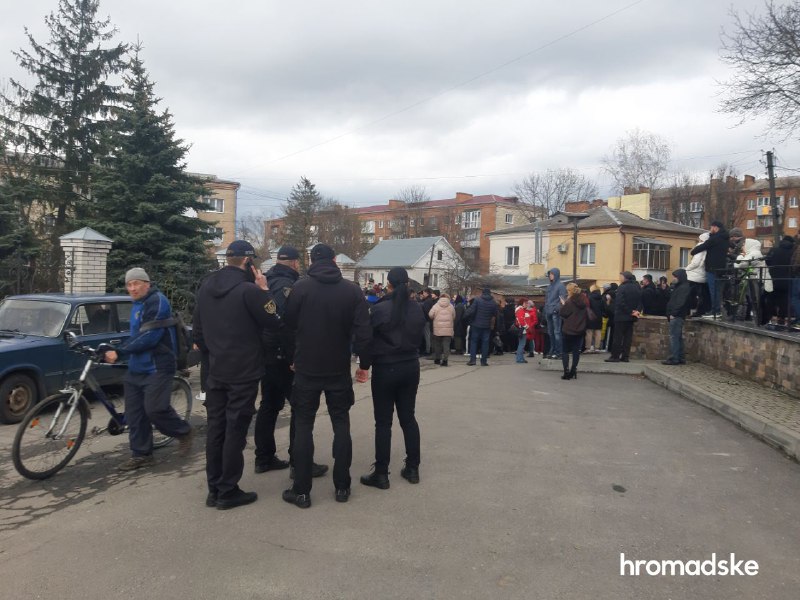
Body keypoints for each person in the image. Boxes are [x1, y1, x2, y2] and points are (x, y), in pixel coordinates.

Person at [282, 244, 372, 508]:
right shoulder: (352, 291)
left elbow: (287, 327)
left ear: (311, 260)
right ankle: (342, 487)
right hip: (337, 368)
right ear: (334, 260)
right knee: (341, 424)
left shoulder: (300, 288)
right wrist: (364, 364)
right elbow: (364, 333)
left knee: (303, 425)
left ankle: (301, 492)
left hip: (307, 368)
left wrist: (292, 359)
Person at [193, 241, 281, 509]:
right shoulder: (249, 291)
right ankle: (228, 490)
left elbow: (197, 333)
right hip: (243, 372)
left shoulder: (206, 287)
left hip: (215, 371)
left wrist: (216, 353)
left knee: (216, 428)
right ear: (247, 263)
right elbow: (275, 321)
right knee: (236, 430)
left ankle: (214, 489)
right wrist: (265, 290)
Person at [104, 268, 193, 472]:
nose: (133, 288)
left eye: (137, 283)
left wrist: (119, 351)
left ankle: (183, 431)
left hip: (158, 366)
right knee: (135, 415)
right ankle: (142, 454)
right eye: (129, 285)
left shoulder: (158, 301)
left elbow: (149, 337)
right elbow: (135, 335)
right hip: (137, 367)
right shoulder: (137, 305)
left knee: (155, 409)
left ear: (147, 284)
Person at [253, 246, 329, 479]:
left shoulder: (267, 280)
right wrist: (292, 356)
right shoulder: (287, 285)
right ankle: (299, 462)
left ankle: (264, 458)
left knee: (269, 405)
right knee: (300, 408)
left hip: (267, 354)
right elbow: (283, 323)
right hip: (283, 357)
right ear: (295, 263)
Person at [360, 267, 426, 491]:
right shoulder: (417, 308)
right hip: (410, 366)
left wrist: (364, 366)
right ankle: (413, 468)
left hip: (386, 368)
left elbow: (367, 341)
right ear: (407, 283)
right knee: (408, 418)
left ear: (388, 284)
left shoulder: (380, 309)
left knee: (383, 422)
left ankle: (381, 473)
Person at [690, 220, 730, 318]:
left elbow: (703, 246)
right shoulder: (725, 238)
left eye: (711, 227)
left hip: (712, 268)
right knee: (716, 290)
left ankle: (715, 311)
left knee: (713, 290)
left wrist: (692, 251)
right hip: (721, 268)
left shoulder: (715, 238)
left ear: (715, 227)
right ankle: (716, 310)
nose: (710, 230)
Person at [605, 272, 642, 363]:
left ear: (625, 278)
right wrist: (636, 311)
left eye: (621, 276)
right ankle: (625, 356)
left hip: (621, 316)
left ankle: (615, 356)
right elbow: (640, 301)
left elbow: (620, 302)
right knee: (627, 338)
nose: (620, 278)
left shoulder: (622, 287)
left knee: (618, 337)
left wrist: (630, 311)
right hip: (632, 317)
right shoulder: (637, 287)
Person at [662, 269, 692, 365]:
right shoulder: (680, 287)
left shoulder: (683, 288)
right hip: (677, 315)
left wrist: (673, 314)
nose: (674, 278)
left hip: (677, 316)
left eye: (675, 277)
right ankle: (680, 357)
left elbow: (680, 302)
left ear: (680, 277)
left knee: (674, 337)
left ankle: (673, 358)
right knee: (677, 337)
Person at [765, 235, 796, 325]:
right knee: (784, 299)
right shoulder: (793, 252)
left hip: (773, 278)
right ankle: (781, 318)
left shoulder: (774, 250)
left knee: (771, 297)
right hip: (787, 278)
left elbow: (767, 261)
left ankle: (769, 317)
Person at [559, 282, 587, 379]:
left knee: (565, 351)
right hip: (580, 329)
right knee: (576, 351)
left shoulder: (569, 302)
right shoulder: (584, 301)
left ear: (569, 291)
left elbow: (563, 313)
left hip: (568, 330)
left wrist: (563, 304)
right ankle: (573, 370)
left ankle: (566, 372)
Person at [465, 287, 499, 366]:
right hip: (486, 326)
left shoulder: (477, 300)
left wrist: (464, 316)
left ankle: (472, 360)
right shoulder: (493, 302)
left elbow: (471, 310)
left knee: (474, 342)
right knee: (485, 343)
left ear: (482, 293)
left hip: (476, 325)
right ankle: (484, 361)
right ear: (490, 293)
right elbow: (495, 314)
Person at [684, 232, 709, 317]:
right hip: (703, 275)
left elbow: (696, 262)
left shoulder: (700, 247)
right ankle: (700, 311)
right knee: (702, 295)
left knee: (690, 295)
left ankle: (689, 312)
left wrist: (687, 269)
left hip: (694, 275)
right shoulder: (708, 247)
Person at [544, 268, 567, 359]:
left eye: (552, 274)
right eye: (550, 274)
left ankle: (559, 352)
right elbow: (546, 300)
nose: (550, 275)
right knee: (550, 333)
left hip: (555, 313)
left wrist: (556, 309)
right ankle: (552, 350)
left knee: (557, 332)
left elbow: (562, 300)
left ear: (556, 275)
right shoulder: (549, 287)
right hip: (548, 312)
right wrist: (546, 309)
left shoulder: (561, 286)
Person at [429, 293, 455, 366]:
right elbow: (454, 316)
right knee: (446, 345)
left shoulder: (436, 306)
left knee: (437, 345)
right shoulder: (451, 306)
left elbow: (430, 314)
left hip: (438, 329)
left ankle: (437, 359)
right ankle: (445, 361)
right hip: (448, 329)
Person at [584, 285, 603, 352]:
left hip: (590, 317)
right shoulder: (601, 298)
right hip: (599, 317)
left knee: (589, 332)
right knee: (598, 332)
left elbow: (586, 307)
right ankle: (597, 348)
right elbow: (604, 308)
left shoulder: (589, 297)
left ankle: (588, 348)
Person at [513, 298, 529, 363]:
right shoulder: (520, 310)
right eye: (526, 303)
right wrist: (526, 326)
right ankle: (519, 359)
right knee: (522, 344)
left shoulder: (519, 309)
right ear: (522, 303)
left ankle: (521, 358)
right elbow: (521, 320)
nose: (527, 304)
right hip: (522, 329)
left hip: (520, 328)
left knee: (521, 344)